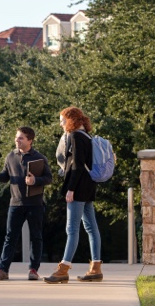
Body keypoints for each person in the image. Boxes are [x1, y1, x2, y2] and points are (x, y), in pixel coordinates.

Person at [0, 126, 52, 281]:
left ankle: (33, 270)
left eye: (20, 138)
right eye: (16, 137)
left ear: (30, 141)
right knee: (10, 237)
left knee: (36, 237)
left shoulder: (40, 158)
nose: (16, 140)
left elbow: (48, 179)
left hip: (35, 204)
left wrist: (35, 181)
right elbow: (5, 177)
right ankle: (3, 271)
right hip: (15, 204)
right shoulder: (10, 156)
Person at [44, 107, 103, 284]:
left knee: (72, 229)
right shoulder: (86, 136)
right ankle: (96, 268)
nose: (60, 124)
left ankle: (63, 269)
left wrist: (70, 189)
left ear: (70, 120)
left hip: (78, 188)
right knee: (91, 227)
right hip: (88, 186)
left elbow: (76, 166)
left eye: (62, 120)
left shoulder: (76, 136)